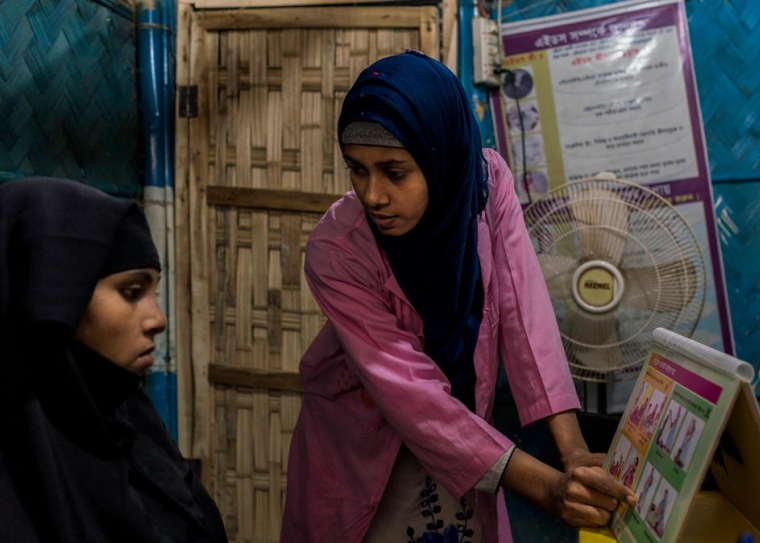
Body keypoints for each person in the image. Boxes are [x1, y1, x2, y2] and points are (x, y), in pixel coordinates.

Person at [281, 50, 636, 543]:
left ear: (439, 157)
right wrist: (549, 488)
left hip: (465, 446)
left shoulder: (485, 186)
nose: (373, 195)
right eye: (357, 170)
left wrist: (574, 453)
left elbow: (524, 314)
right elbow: (414, 396)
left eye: (394, 171)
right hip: (363, 447)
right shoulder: (336, 252)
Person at [0, 177, 228, 543]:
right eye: (131, 292)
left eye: (154, 289)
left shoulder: (132, 431)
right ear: (52, 299)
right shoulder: (17, 486)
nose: (158, 320)